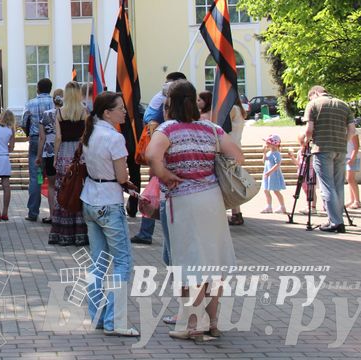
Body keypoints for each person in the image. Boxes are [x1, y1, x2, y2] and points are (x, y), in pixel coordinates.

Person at [146, 79, 243, 340]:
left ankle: (191, 324)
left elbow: (151, 156)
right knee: (214, 260)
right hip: (212, 199)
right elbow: (237, 155)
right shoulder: (211, 128)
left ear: (170, 103)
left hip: (183, 200)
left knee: (190, 262)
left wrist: (166, 174)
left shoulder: (168, 129)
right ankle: (212, 321)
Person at [80, 92, 138, 337]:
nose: (124, 112)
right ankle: (116, 320)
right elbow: (122, 175)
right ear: (107, 112)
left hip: (90, 197)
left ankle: (99, 316)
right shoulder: (114, 137)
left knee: (98, 262)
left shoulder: (90, 132)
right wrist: (127, 183)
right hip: (109, 201)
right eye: (120, 108)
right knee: (123, 262)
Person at [130, 71, 185, 245]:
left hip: (164, 155)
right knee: (155, 194)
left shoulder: (161, 101)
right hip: (166, 156)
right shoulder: (166, 101)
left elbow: (149, 120)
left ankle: (147, 232)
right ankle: (148, 232)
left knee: (154, 193)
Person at [303, 86, 356, 233]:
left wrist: (307, 141)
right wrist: (344, 142)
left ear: (315, 93)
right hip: (340, 149)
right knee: (338, 186)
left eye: (310, 97)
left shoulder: (313, 104)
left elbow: (309, 130)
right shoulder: (343, 105)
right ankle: (338, 220)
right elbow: (352, 131)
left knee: (327, 186)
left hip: (322, 149)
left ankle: (335, 222)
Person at [50, 82, 88, 246]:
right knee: (79, 189)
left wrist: (55, 156)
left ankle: (62, 232)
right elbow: (86, 135)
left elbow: (58, 137)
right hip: (79, 154)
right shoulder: (84, 111)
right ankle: (80, 233)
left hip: (64, 153)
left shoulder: (60, 112)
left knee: (63, 190)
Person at [22, 78, 55, 222]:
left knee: (35, 177)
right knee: (54, 177)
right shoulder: (55, 103)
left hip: (36, 139)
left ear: (38, 88)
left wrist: (29, 134)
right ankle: (56, 212)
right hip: (53, 140)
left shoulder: (30, 103)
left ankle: (33, 212)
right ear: (50, 88)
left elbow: (24, 122)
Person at [37, 89, 63, 224]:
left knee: (51, 185)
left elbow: (42, 138)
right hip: (64, 153)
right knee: (64, 185)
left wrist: (38, 156)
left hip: (49, 152)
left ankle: (52, 215)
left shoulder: (46, 115)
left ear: (53, 100)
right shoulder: (67, 114)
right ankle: (64, 214)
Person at [0, 110, 16, 221]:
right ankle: (5, 213)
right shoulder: (11, 129)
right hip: (4, 157)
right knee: (6, 186)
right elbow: (12, 147)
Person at [227, 97, 248, 226]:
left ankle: (236, 213)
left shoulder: (233, 109)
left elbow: (223, 124)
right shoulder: (240, 110)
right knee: (233, 181)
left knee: (231, 182)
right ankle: (236, 212)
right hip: (237, 146)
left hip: (230, 148)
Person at [260, 134, 287, 214]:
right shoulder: (269, 153)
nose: (266, 144)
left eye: (268, 143)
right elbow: (264, 161)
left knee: (276, 191)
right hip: (268, 174)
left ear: (274, 144)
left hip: (274, 175)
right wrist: (264, 153)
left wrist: (269, 172)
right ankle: (269, 206)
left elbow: (277, 164)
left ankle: (282, 206)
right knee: (266, 190)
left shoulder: (276, 153)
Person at [346, 132, 361, 209]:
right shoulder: (343, 130)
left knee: (350, 178)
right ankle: (352, 200)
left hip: (353, 158)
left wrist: (352, 158)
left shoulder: (353, 131)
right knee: (349, 179)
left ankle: (357, 201)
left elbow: (356, 146)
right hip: (346, 157)